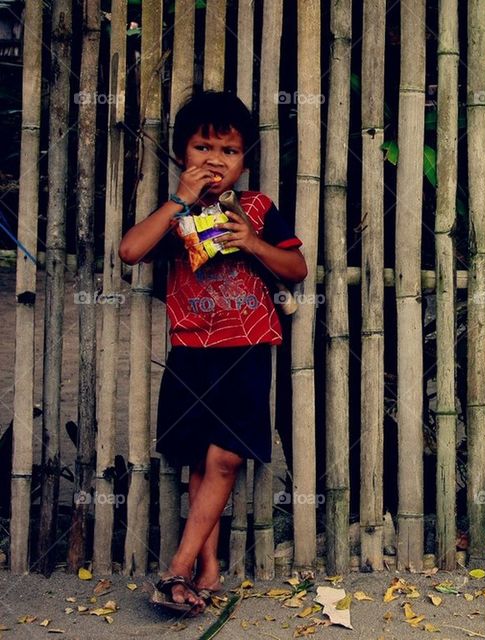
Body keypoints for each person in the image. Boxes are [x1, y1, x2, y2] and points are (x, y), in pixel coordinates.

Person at [119, 91, 307, 616]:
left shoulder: (257, 209)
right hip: (191, 350)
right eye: (203, 148)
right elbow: (130, 251)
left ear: (244, 160)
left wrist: (252, 242)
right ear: (183, 153)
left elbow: (296, 270)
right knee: (201, 461)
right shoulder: (174, 214)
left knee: (225, 458)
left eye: (229, 150)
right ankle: (208, 568)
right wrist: (179, 201)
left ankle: (177, 568)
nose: (215, 160)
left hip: (247, 349)